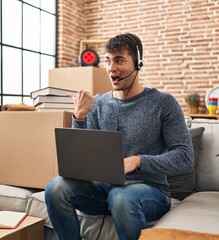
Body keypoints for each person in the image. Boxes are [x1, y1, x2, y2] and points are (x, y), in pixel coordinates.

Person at [45, 33, 194, 240]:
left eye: (119, 60)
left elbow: (185, 158)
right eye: (108, 60)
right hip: (105, 189)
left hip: (150, 191)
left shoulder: (163, 103)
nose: (111, 68)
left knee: (121, 197)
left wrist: (139, 161)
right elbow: (83, 160)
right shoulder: (98, 104)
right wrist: (79, 117)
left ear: (138, 64)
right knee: (56, 187)